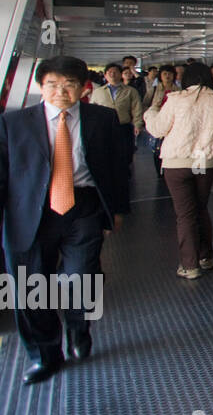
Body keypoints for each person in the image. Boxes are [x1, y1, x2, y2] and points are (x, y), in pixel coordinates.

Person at [0, 56, 128, 384]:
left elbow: (117, 167)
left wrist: (117, 210)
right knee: (30, 286)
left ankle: (77, 326)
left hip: (82, 207)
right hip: (27, 211)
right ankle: (44, 355)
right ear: (40, 87)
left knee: (80, 276)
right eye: (53, 84)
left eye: (69, 84)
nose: (61, 91)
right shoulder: (13, 123)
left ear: (83, 87)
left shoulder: (102, 118)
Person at [144, 62, 213, 279]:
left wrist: (151, 111)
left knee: (185, 214)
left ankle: (189, 265)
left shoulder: (176, 99)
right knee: (201, 208)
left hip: (177, 161)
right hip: (203, 161)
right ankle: (206, 257)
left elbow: (158, 129)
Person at [89, 63, 144, 171]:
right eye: (109, 72)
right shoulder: (98, 92)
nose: (113, 74)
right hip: (103, 128)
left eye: (116, 72)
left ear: (121, 75)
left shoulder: (130, 91)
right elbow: (92, 109)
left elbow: (137, 108)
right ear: (105, 75)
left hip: (124, 126)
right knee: (105, 151)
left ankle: (124, 173)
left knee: (125, 152)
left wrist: (137, 124)